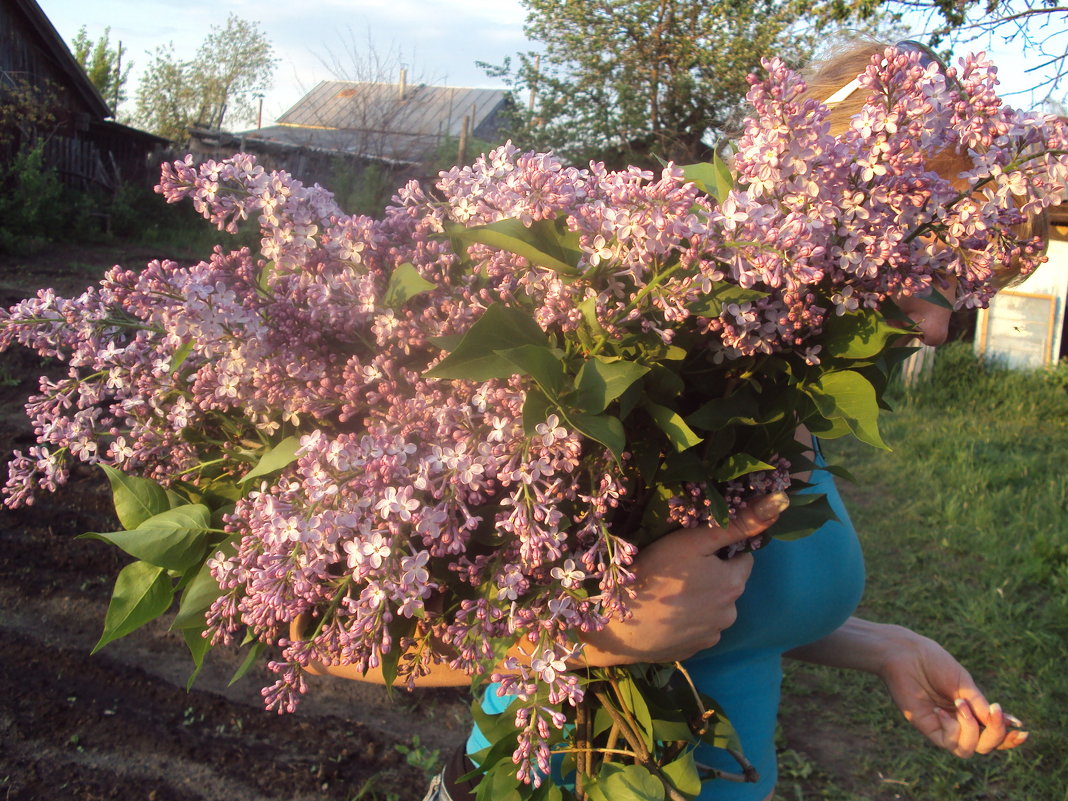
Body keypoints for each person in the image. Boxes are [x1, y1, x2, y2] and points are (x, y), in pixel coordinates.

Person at [298, 40, 1042, 801]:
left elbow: (718, 607)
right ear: (822, 200)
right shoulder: (635, 353)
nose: (938, 328)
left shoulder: (777, 383)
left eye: (950, 278)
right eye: (913, 260)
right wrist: (593, 633)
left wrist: (887, 644)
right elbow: (316, 636)